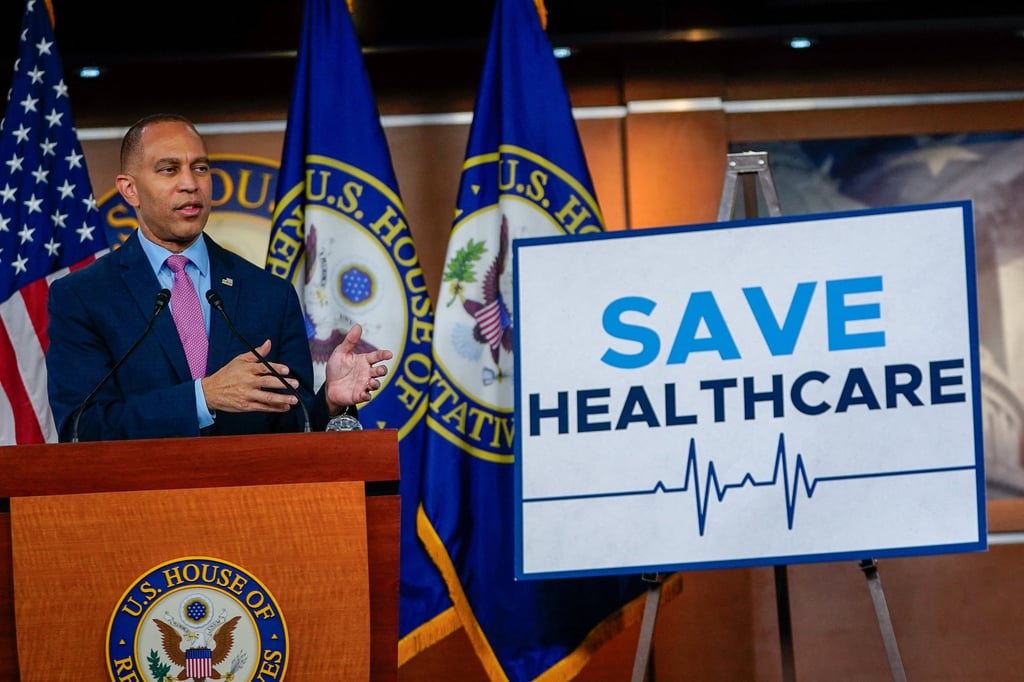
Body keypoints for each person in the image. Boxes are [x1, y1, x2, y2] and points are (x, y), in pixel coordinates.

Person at [46, 113, 392, 441]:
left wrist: (328, 402)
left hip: (253, 500)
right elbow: (82, 427)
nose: (190, 184)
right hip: (136, 501)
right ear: (130, 189)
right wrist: (202, 398)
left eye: (200, 168)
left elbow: (292, 425)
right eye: (169, 170)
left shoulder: (269, 294)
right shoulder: (83, 296)